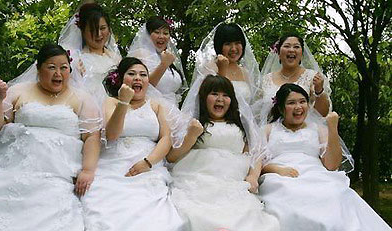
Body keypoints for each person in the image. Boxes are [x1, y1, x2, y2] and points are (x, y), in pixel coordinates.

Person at [0, 44, 102, 230]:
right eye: (51, 67)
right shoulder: (19, 90)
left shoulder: (81, 97)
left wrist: (88, 170)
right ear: (38, 69)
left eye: (63, 67)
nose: (58, 73)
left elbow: (91, 136)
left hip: (57, 171)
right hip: (15, 166)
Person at [258, 83, 390, 231]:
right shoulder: (268, 130)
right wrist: (275, 169)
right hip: (279, 177)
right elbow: (256, 162)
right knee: (289, 195)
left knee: (335, 192)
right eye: (291, 103)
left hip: (316, 174)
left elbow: (332, 165)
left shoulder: (318, 129)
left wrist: (332, 128)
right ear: (281, 108)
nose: (298, 107)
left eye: (302, 101)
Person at [80, 57, 185, 230]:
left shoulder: (156, 106)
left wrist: (148, 162)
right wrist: (123, 102)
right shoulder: (111, 102)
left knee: (153, 215)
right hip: (114, 164)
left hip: (148, 164)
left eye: (143, 75)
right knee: (108, 212)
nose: (138, 78)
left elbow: (166, 138)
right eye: (132, 74)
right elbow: (112, 134)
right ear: (121, 78)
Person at [167, 75, 279, 231]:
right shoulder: (191, 122)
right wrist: (191, 136)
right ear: (203, 97)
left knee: (245, 215)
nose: (220, 99)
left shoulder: (241, 125)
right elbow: (172, 157)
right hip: (198, 180)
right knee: (195, 214)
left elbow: (255, 154)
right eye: (214, 94)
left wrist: (253, 177)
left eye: (225, 95)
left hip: (233, 181)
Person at [255, 33, 331, 120]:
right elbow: (257, 114)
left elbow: (322, 114)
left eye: (296, 47)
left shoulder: (313, 77)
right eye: (287, 46)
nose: (291, 50)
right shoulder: (265, 80)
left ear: (302, 53)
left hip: (304, 131)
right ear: (278, 52)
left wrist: (319, 91)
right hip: (270, 130)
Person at [58, 2, 121, 105]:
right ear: (82, 31)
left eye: (102, 28)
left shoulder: (116, 58)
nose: (98, 34)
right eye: (92, 30)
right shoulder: (75, 59)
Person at [190, 22, 261, 104]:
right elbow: (203, 100)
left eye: (237, 43)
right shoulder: (209, 68)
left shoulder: (245, 72)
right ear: (219, 46)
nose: (233, 49)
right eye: (228, 44)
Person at [127, 16, 187, 107]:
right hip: (151, 108)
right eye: (157, 32)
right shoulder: (139, 54)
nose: (161, 36)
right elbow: (142, 85)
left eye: (165, 33)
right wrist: (163, 65)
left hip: (173, 109)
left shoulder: (168, 56)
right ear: (148, 35)